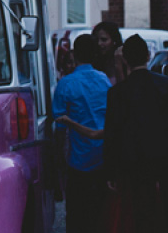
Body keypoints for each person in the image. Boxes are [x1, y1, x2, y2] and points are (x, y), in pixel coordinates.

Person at [102, 33, 168, 233]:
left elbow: (112, 134)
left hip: (133, 163)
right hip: (166, 159)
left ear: (125, 59)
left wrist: (110, 171)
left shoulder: (117, 93)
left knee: (140, 216)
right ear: (147, 55)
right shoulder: (166, 85)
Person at [52, 33, 112, 233]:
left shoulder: (66, 84)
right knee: (101, 217)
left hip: (79, 162)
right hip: (103, 158)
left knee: (77, 218)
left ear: (74, 55)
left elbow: (59, 130)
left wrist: (58, 165)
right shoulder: (104, 80)